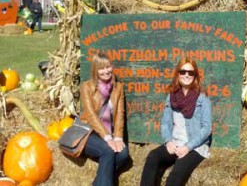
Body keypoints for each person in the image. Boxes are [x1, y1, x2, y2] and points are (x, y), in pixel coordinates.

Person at [140, 57, 212, 186]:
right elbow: (165, 123)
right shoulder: (171, 96)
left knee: (174, 177)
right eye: (183, 71)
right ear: (177, 73)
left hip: (194, 146)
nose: (186, 75)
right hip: (175, 142)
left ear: (195, 75)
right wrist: (168, 141)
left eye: (191, 72)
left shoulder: (202, 97)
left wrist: (188, 147)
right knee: (152, 157)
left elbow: (206, 128)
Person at [80, 53, 129, 186]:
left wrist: (118, 137)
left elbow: (120, 114)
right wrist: (108, 138)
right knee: (108, 150)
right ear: (95, 70)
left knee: (123, 154)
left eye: (108, 67)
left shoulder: (118, 88)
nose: (106, 71)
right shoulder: (87, 87)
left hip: (110, 133)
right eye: (101, 68)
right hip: (89, 132)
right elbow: (91, 115)